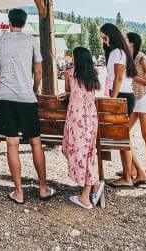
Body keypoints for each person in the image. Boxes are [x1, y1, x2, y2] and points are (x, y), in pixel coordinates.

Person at [0, 8, 55, 204]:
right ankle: (43, 188)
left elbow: (0, 66)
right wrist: (35, 87)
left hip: (5, 97)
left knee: (12, 144)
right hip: (26, 97)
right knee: (35, 142)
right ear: (25, 21)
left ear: (9, 21)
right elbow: (38, 70)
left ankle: (19, 192)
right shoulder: (31, 41)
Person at [59, 46, 105, 209]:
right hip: (91, 118)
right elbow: (81, 93)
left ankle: (86, 195)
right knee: (87, 154)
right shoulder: (92, 75)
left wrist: (66, 75)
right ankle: (93, 185)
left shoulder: (72, 73)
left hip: (77, 118)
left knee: (78, 154)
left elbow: (68, 89)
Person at [99, 22, 138, 188]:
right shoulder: (123, 52)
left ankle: (128, 176)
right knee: (123, 137)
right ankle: (129, 173)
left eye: (105, 38)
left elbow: (118, 77)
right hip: (126, 95)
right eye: (102, 39)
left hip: (120, 96)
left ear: (112, 36)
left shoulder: (116, 52)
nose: (105, 41)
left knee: (122, 138)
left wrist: (113, 99)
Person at [127, 31, 146, 183]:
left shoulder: (141, 58)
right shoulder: (129, 58)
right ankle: (133, 169)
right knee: (123, 133)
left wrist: (137, 79)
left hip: (145, 98)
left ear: (132, 42)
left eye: (126, 39)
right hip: (136, 100)